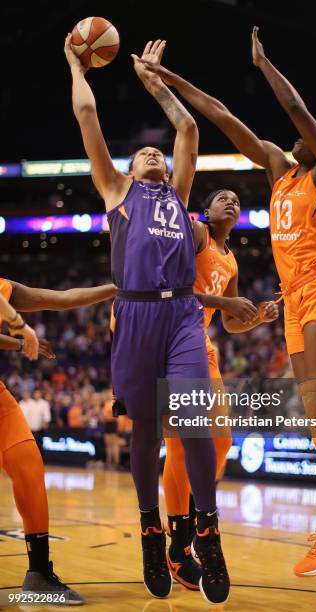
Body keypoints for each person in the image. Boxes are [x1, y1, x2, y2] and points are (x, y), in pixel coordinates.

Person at [140, 26, 316, 578]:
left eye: (315, 134)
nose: (300, 136)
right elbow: (221, 115)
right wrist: (169, 79)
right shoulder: (280, 172)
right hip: (293, 301)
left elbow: (295, 107)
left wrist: (264, 65)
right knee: (314, 411)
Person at [65, 36, 229, 604]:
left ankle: (206, 530)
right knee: (145, 431)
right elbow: (86, 113)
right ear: (130, 168)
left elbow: (187, 131)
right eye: (144, 155)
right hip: (133, 316)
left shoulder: (181, 196)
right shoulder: (117, 190)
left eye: (155, 155)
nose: (154, 156)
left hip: (182, 312)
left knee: (191, 420)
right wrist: (74, 65)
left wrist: (157, 86)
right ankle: (150, 532)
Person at [163, 189, 278, 589]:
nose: (231, 201)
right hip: (172, 341)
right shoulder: (195, 234)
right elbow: (170, 289)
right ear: (206, 212)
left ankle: (195, 520)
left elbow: (228, 322)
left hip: (203, 346)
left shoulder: (231, 259)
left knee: (222, 440)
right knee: (181, 443)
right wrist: (225, 304)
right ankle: (177, 547)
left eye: (236, 200)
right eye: (222, 198)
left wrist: (257, 318)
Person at [0, 277, 116, 603]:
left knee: (29, 465)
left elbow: (63, 297)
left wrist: (115, 287)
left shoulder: (4, 287)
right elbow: (11, 318)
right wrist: (19, 328)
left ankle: (38, 573)